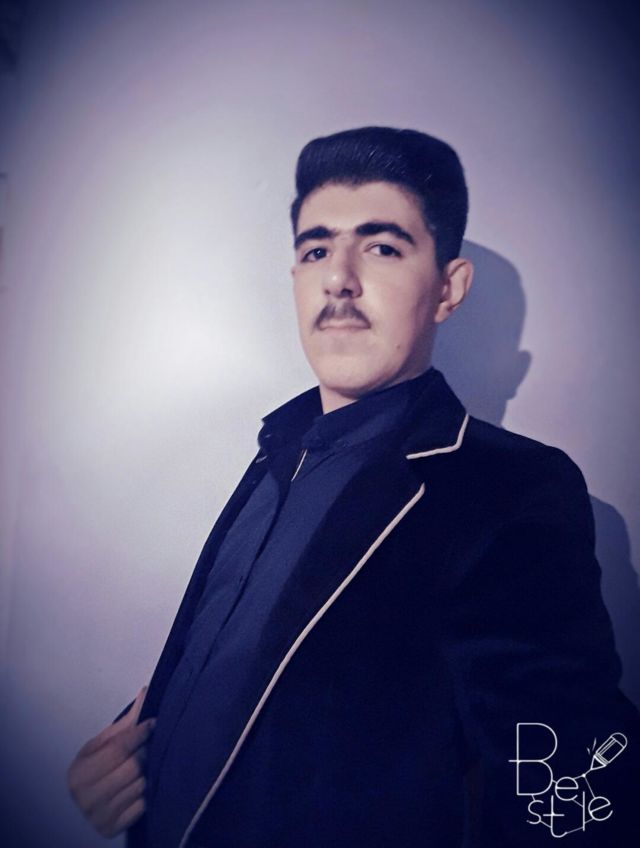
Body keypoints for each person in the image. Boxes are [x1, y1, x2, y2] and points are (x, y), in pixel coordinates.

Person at [68, 127, 639, 846]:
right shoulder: (274, 454)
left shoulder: (509, 491)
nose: (338, 278)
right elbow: (250, 684)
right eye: (316, 250)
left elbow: (572, 793)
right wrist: (126, 770)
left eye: (382, 247)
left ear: (449, 288)